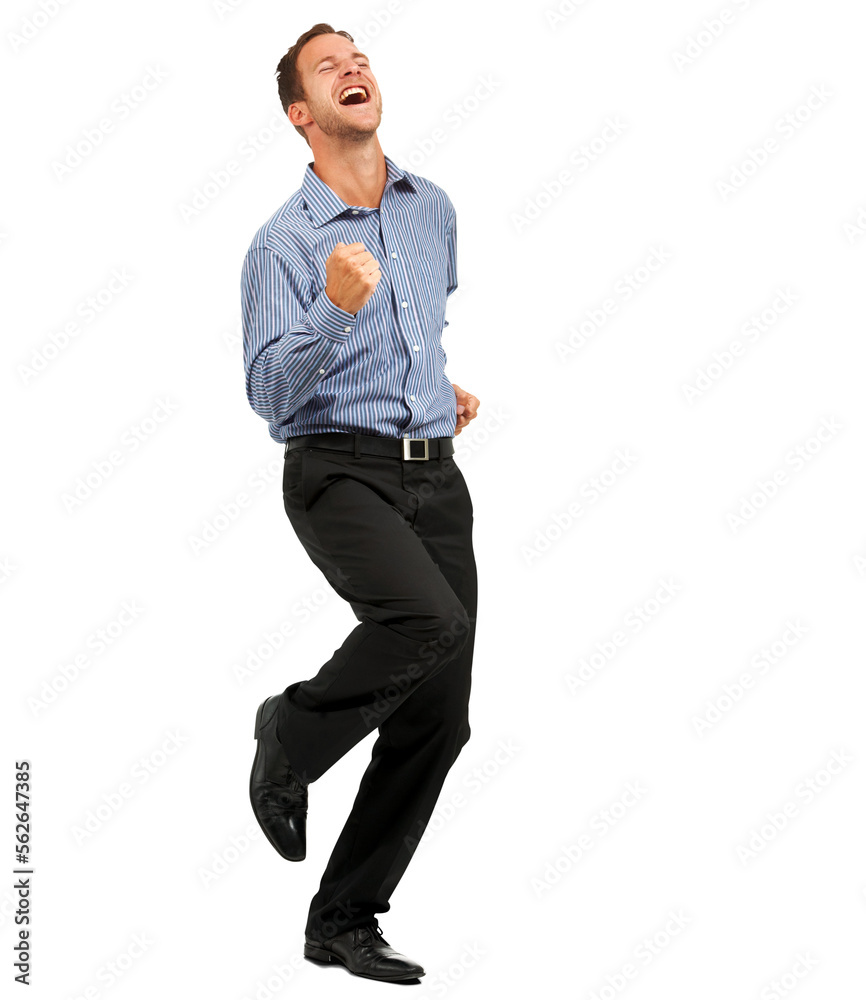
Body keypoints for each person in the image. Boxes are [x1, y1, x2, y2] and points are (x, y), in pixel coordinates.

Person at [240, 22, 481, 984]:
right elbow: (268, 396)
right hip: (336, 471)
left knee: (439, 714)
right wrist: (334, 306)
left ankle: (341, 921)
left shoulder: (433, 209)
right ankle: (289, 734)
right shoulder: (285, 243)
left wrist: (439, 392)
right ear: (302, 115)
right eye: (330, 68)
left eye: (362, 58)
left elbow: (422, 331)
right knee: (424, 619)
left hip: (435, 473)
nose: (356, 70)